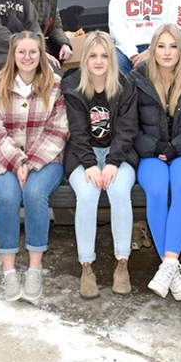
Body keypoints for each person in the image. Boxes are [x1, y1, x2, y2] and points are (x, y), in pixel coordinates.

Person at [0, 32, 67, 302]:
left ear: (41, 55)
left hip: (46, 159)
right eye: (22, 52)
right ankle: (8, 270)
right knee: (6, 197)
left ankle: (34, 267)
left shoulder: (54, 84)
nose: (27, 57)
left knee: (33, 194)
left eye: (33, 52)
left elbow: (58, 129)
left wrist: (30, 163)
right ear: (13, 55)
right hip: (3, 157)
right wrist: (17, 161)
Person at [129, 24, 181, 301]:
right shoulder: (137, 77)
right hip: (150, 153)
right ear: (152, 49)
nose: (167, 52)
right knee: (158, 191)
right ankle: (172, 269)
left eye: (173, 46)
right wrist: (157, 147)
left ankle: (167, 265)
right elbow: (130, 126)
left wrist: (176, 147)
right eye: (161, 46)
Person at [62, 31, 139, 298]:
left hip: (119, 156)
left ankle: (122, 263)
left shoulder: (125, 86)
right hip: (83, 155)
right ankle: (87, 266)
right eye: (92, 55)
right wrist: (90, 164)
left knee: (119, 192)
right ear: (84, 58)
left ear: (112, 58)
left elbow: (128, 130)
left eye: (104, 55)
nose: (98, 61)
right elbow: (77, 131)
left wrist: (113, 162)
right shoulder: (72, 86)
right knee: (87, 194)